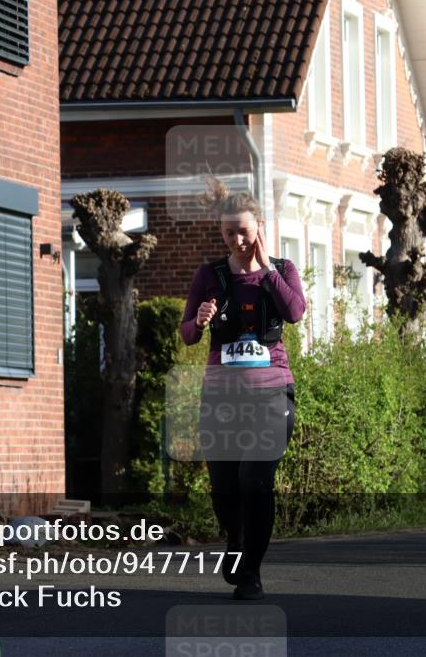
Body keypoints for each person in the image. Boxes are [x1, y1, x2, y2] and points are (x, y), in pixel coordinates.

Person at [179, 178, 306, 600]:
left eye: (244, 231)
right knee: (225, 485)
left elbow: (295, 312)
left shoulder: (282, 271)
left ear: (260, 228)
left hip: (272, 393)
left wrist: (266, 268)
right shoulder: (209, 276)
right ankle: (235, 539)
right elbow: (188, 336)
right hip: (220, 396)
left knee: (256, 479)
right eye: (228, 232)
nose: (237, 239)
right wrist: (199, 320)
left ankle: (251, 572)